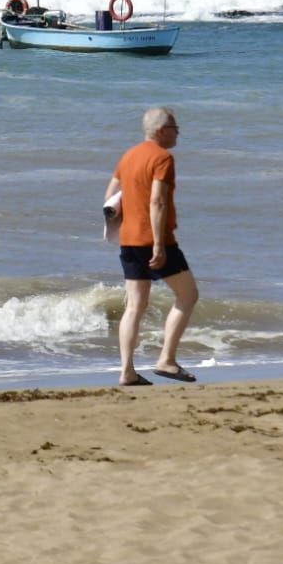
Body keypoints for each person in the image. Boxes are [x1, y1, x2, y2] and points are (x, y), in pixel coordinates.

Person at [103, 107, 199, 386]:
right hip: (155, 240)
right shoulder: (162, 158)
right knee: (188, 295)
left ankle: (127, 371)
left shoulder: (128, 155)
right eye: (174, 128)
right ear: (161, 131)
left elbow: (110, 197)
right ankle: (166, 360)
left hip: (129, 239)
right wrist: (158, 243)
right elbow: (157, 201)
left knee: (135, 305)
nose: (178, 132)